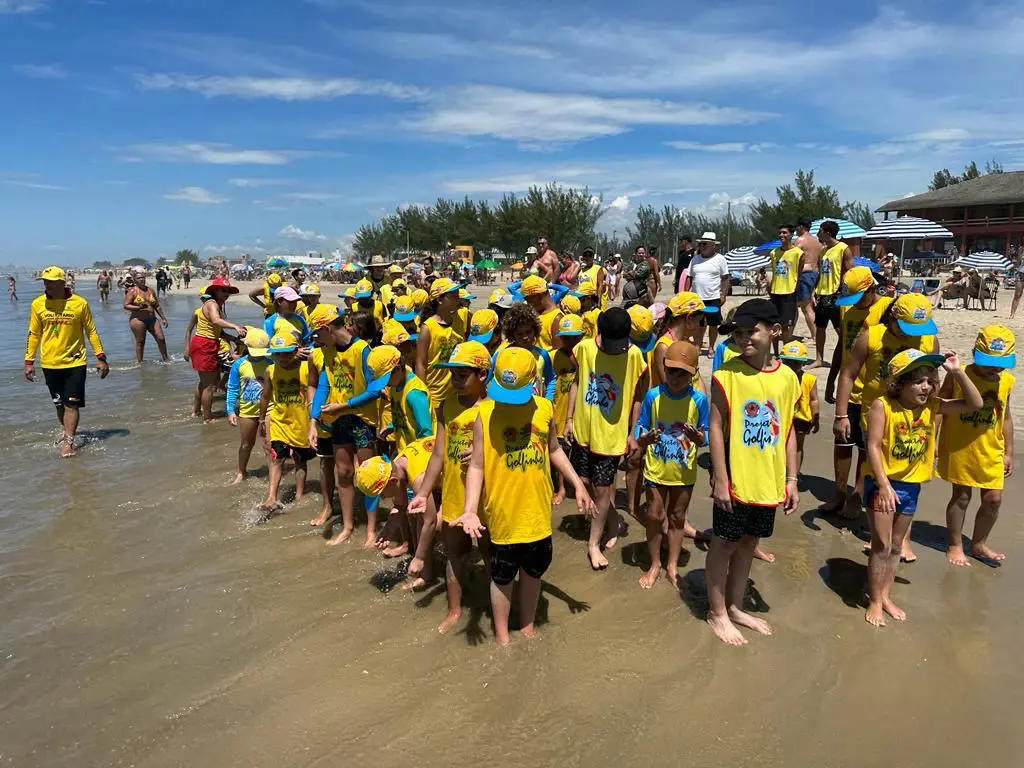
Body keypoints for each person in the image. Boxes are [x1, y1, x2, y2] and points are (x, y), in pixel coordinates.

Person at [454, 347, 595, 645]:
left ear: (534, 382)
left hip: (537, 514)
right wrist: (469, 508)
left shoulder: (543, 409)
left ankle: (528, 625)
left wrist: (577, 485)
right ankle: (503, 636)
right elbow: (477, 465)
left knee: (533, 573)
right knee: (502, 578)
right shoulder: (484, 413)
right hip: (503, 515)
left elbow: (554, 449)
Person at [863, 349, 981, 626]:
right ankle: (875, 600)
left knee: (895, 546)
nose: (926, 387)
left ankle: (886, 595)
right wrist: (882, 485)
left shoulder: (933, 406)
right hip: (884, 483)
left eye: (930, 380)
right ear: (899, 382)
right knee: (880, 545)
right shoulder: (883, 406)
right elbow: (873, 446)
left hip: (911, 485)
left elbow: (974, 404)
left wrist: (957, 371)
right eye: (918, 381)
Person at [707, 299, 799, 646]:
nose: (745, 339)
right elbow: (715, 428)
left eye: (752, 331)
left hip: (769, 478)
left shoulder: (788, 378)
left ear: (774, 331)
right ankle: (716, 612)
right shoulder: (726, 374)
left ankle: (735, 606)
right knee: (724, 543)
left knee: (748, 543)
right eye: (739, 333)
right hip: (733, 474)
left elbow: (788, 430)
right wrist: (719, 478)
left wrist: (792, 479)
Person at [409, 341, 492, 631]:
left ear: (482, 375)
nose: (454, 381)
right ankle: (455, 610)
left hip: (485, 499)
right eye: (452, 375)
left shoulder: (493, 407)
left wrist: (485, 453)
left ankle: (495, 604)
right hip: (456, 494)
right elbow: (438, 455)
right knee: (455, 553)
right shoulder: (448, 406)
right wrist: (422, 493)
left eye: (461, 375)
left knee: (490, 553)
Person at [566, 306, 648, 570]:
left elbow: (637, 397)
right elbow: (576, 383)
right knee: (584, 482)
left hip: (611, 435)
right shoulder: (585, 349)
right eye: (613, 343)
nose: (618, 348)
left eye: (622, 343)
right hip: (583, 430)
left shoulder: (634, 355)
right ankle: (613, 520)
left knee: (602, 489)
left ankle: (593, 543)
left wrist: (633, 433)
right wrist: (568, 419)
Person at [308, 304, 386, 547]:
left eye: (316, 334)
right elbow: (324, 386)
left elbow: (375, 390)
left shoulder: (363, 350)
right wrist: (313, 421)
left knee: (368, 474)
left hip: (362, 420)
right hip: (338, 420)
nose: (315, 340)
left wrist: (344, 405)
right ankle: (348, 526)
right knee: (343, 473)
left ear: (327, 328)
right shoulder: (328, 352)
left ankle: (372, 529)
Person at [632, 341, 708, 589]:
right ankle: (654, 563)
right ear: (664, 367)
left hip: (684, 471)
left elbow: (706, 434)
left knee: (677, 517)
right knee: (654, 515)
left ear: (693, 373)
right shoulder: (653, 395)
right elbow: (640, 428)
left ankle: (672, 565)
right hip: (656, 467)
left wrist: (699, 438)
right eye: (672, 371)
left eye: (683, 373)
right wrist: (642, 440)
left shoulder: (698, 400)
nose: (676, 378)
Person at [938, 325, 1016, 566]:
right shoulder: (959, 374)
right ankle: (955, 544)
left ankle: (979, 543)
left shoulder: (1007, 381)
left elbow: (1007, 417)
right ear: (974, 353)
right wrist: (931, 442)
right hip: (960, 447)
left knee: (994, 499)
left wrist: (1009, 452)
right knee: (961, 497)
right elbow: (938, 407)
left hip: (992, 448)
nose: (994, 368)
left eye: (1000, 362)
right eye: (988, 362)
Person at [24, 266, 110, 458]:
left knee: (72, 404)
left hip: (75, 362)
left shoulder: (79, 303)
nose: (47, 286)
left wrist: (101, 357)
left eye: (51, 282)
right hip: (49, 363)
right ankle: (68, 433)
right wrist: (29, 362)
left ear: (62, 283)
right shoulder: (37, 304)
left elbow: (91, 331)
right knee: (59, 405)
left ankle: (69, 442)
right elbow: (34, 334)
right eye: (45, 282)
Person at [356, 445, 439, 590]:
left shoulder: (418, 480)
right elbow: (401, 506)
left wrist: (418, 557)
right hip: (438, 475)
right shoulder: (397, 466)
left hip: (461, 477)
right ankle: (427, 574)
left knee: (435, 526)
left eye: (381, 494)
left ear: (392, 481)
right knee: (419, 517)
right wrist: (389, 530)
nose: (382, 498)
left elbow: (430, 522)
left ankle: (450, 569)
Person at [259, 334, 316, 516]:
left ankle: (299, 495)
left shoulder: (307, 368)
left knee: (301, 460)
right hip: (279, 421)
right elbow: (265, 396)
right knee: (277, 458)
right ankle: (271, 497)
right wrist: (261, 419)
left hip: (301, 422)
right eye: (278, 354)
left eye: (286, 353)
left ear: (295, 350)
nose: (282, 358)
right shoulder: (271, 370)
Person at [189, 277, 246, 423]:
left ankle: (196, 411)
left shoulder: (215, 305)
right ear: (214, 291)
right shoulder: (212, 304)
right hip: (205, 344)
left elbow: (216, 330)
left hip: (208, 342)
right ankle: (208, 418)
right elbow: (215, 320)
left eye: (228, 291)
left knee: (204, 382)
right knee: (210, 385)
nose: (226, 294)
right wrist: (235, 326)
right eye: (223, 291)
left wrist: (231, 338)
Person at [416, 277, 470, 411]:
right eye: (452, 296)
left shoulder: (459, 321)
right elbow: (420, 364)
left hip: (456, 392)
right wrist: (422, 396)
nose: (457, 298)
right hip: (434, 395)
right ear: (440, 300)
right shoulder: (428, 327)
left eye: (457, 295)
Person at [225, 327, 272, 484]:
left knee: (268, 444)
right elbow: (232, 389)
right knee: (246, 444)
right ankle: (241, 472)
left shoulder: (270, 363)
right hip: (247, 411)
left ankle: (273, 474)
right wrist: (231, 410)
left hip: (268, 410)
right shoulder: (239, 365)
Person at [810, 220, 853, 367]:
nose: (817, 234)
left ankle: (848, 358)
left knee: (840, 329)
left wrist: (844, 293)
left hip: (836, 294)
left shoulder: (843, 248)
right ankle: (819, 359)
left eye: (820, 231)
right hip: (821, 294)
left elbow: (849, 272)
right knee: (820, 328)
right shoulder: (823, 251)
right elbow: (820, 273)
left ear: (827, 232)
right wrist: (813, 291)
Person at [551, 314, 584, 504]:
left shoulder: (584, 355)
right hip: (560, 410)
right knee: (560, 449)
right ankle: (562, 488)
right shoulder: (554, 357)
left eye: (574, 337)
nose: (570, 341)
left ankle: (578, 483)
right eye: (566, 338)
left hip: (580, 412)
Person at [683, 233, 730, 355]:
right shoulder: (695, 259)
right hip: (696, 298)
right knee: (697, 324)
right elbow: (689, 277)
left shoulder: (720, 259)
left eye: (704, 244)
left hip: (713, 297)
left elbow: (725, 278)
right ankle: (698, 346)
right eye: (700, 244)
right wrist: (685, 295)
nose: (701, 246)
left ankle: (711, 348)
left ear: (713, 245)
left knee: (713, 324)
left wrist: (723, 294)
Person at [778, 340, 818, 474]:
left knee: (798, 447)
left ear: (803, 363)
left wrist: (815, 417)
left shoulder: (809, 379)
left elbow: (814, 400)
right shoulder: (779, 377)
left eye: (796, 362)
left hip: (801, 418)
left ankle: (795, 473)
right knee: (780, 445)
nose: (791, 366)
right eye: (788, 362)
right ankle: (782, 471)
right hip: (782, 417)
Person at [123, 267, 170, 363]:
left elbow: (156, 305)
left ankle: (166, 360)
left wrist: (163, 318)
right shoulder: (133, 291)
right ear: (135, 280)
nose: (142, 279)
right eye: (139, 278)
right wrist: (138, 307)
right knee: (140, 342)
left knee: (161, 338)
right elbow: (126, 305)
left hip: (152, 319)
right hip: (138, 320)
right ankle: (140, 363)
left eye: (143, 278)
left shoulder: (150, 290)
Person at [768, 225, 802, 350]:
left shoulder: (798, 253)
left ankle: (786, 351)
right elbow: (774, 272)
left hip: (789, 292)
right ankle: (776, 353)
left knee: (786, 326)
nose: (782, 235)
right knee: (774, 325)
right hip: (776, 291)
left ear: (791, 235)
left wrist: (796, 291)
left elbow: (799, 273)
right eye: (780, 233)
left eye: (785, 233)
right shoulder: (774, 253)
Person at [794, 217, 823, 339]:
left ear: (800, 227)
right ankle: (790, 332)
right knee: (799, 305)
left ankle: (815, 336)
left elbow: (793, 259)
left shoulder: (800, 241)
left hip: (804, 274)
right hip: (814, 274)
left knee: (806, 308)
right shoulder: (817, 242)